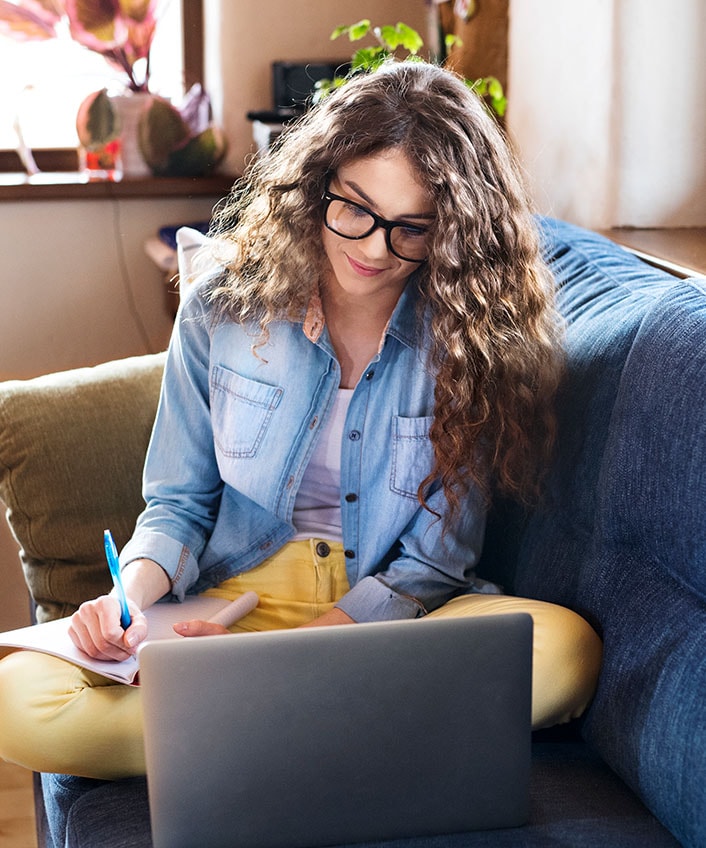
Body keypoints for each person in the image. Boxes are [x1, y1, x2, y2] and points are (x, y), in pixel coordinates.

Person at [0, 60, 601, 780]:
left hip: (383, 619)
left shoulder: (470, 339)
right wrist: (126, 596)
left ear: (451, 230)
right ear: (317, 183)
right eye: (356, 209)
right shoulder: (222, 308)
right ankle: (328, 731)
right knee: (21, 701)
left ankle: (237, 730)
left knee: (564, 652)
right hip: (233, 603)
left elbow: (433, 564)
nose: (376, 249)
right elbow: (178, 507)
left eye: (411, 229)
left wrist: (295, 658)